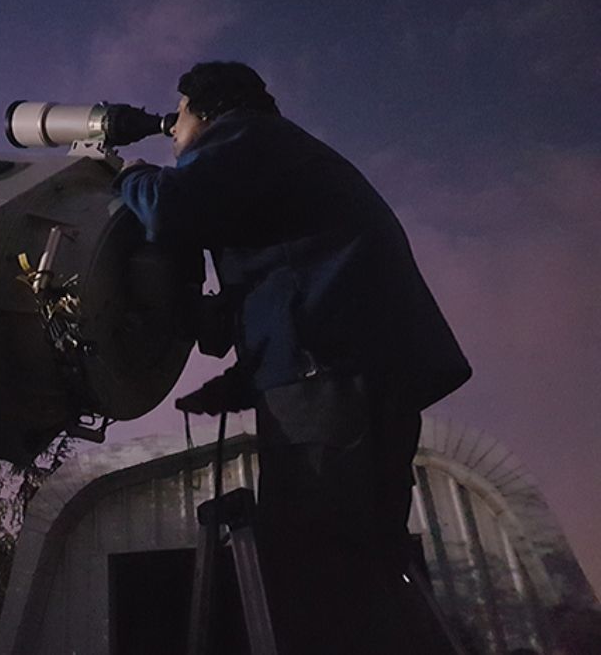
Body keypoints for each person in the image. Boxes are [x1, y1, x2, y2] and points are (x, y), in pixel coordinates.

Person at [114, 62, 472, 654]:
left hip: (326, 376)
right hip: (364, 375)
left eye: (176, 115)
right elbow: (292, 277)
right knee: (369, 563)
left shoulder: (245, 136)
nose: (170, 128)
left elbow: (170, 208)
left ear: (207, 110)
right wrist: (242, 382)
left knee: (317, 566)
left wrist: (119, 173)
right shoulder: (283, 156)